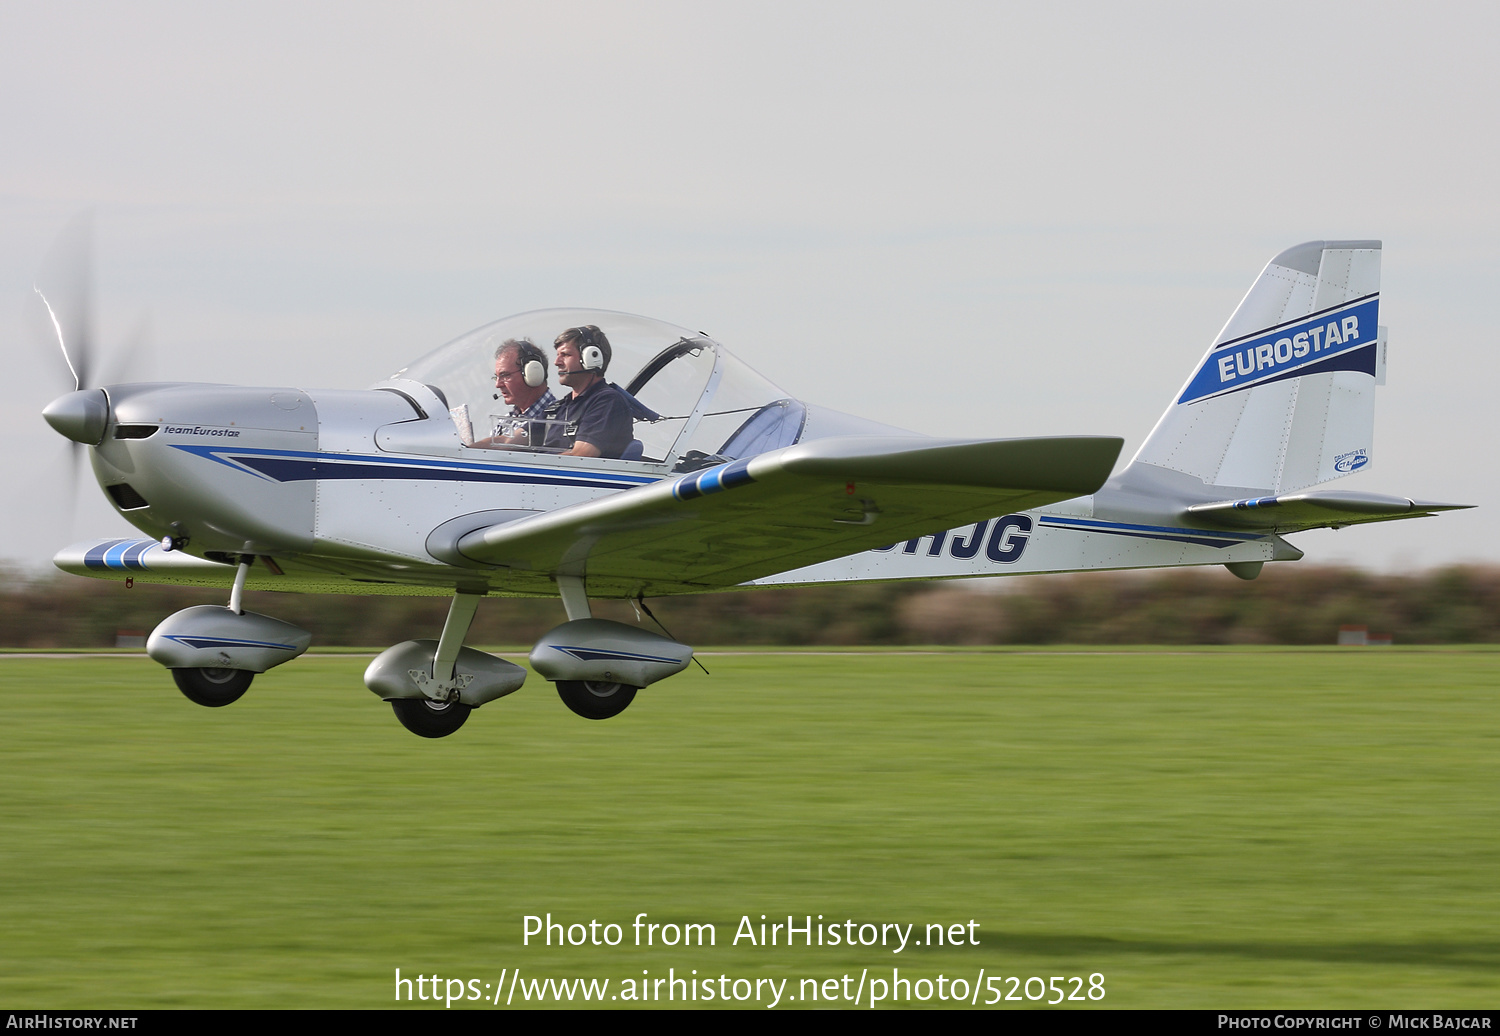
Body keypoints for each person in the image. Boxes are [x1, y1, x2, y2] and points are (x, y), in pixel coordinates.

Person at [543, 325, 634, 459]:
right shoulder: (559, 408)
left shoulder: (607, 401)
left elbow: (582, 456)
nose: (557, 362)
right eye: (558, 355)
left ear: (591, 357)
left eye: (565, 355)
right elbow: (511, 440)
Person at [472, 338, 556, 449]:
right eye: (496, 377)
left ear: (533, 374)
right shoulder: (504, 422)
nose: (498, 384)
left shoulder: (558, 417)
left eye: (505, 376)